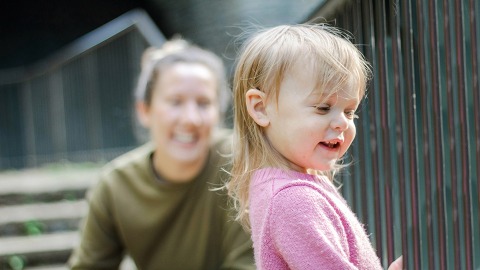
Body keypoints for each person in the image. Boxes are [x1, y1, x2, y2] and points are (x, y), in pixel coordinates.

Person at [225, 24, 403, 269]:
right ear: (260, 108)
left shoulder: (288, 188)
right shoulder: (293, 200)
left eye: (350, 112)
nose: (342, 122)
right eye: (323, 107)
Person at [68, 38, 255, 269]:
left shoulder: (244, 163)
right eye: (175, 102)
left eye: (204, 103)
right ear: (144, 110)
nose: (190, 119)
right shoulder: (116, 185)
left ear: (219, 112)